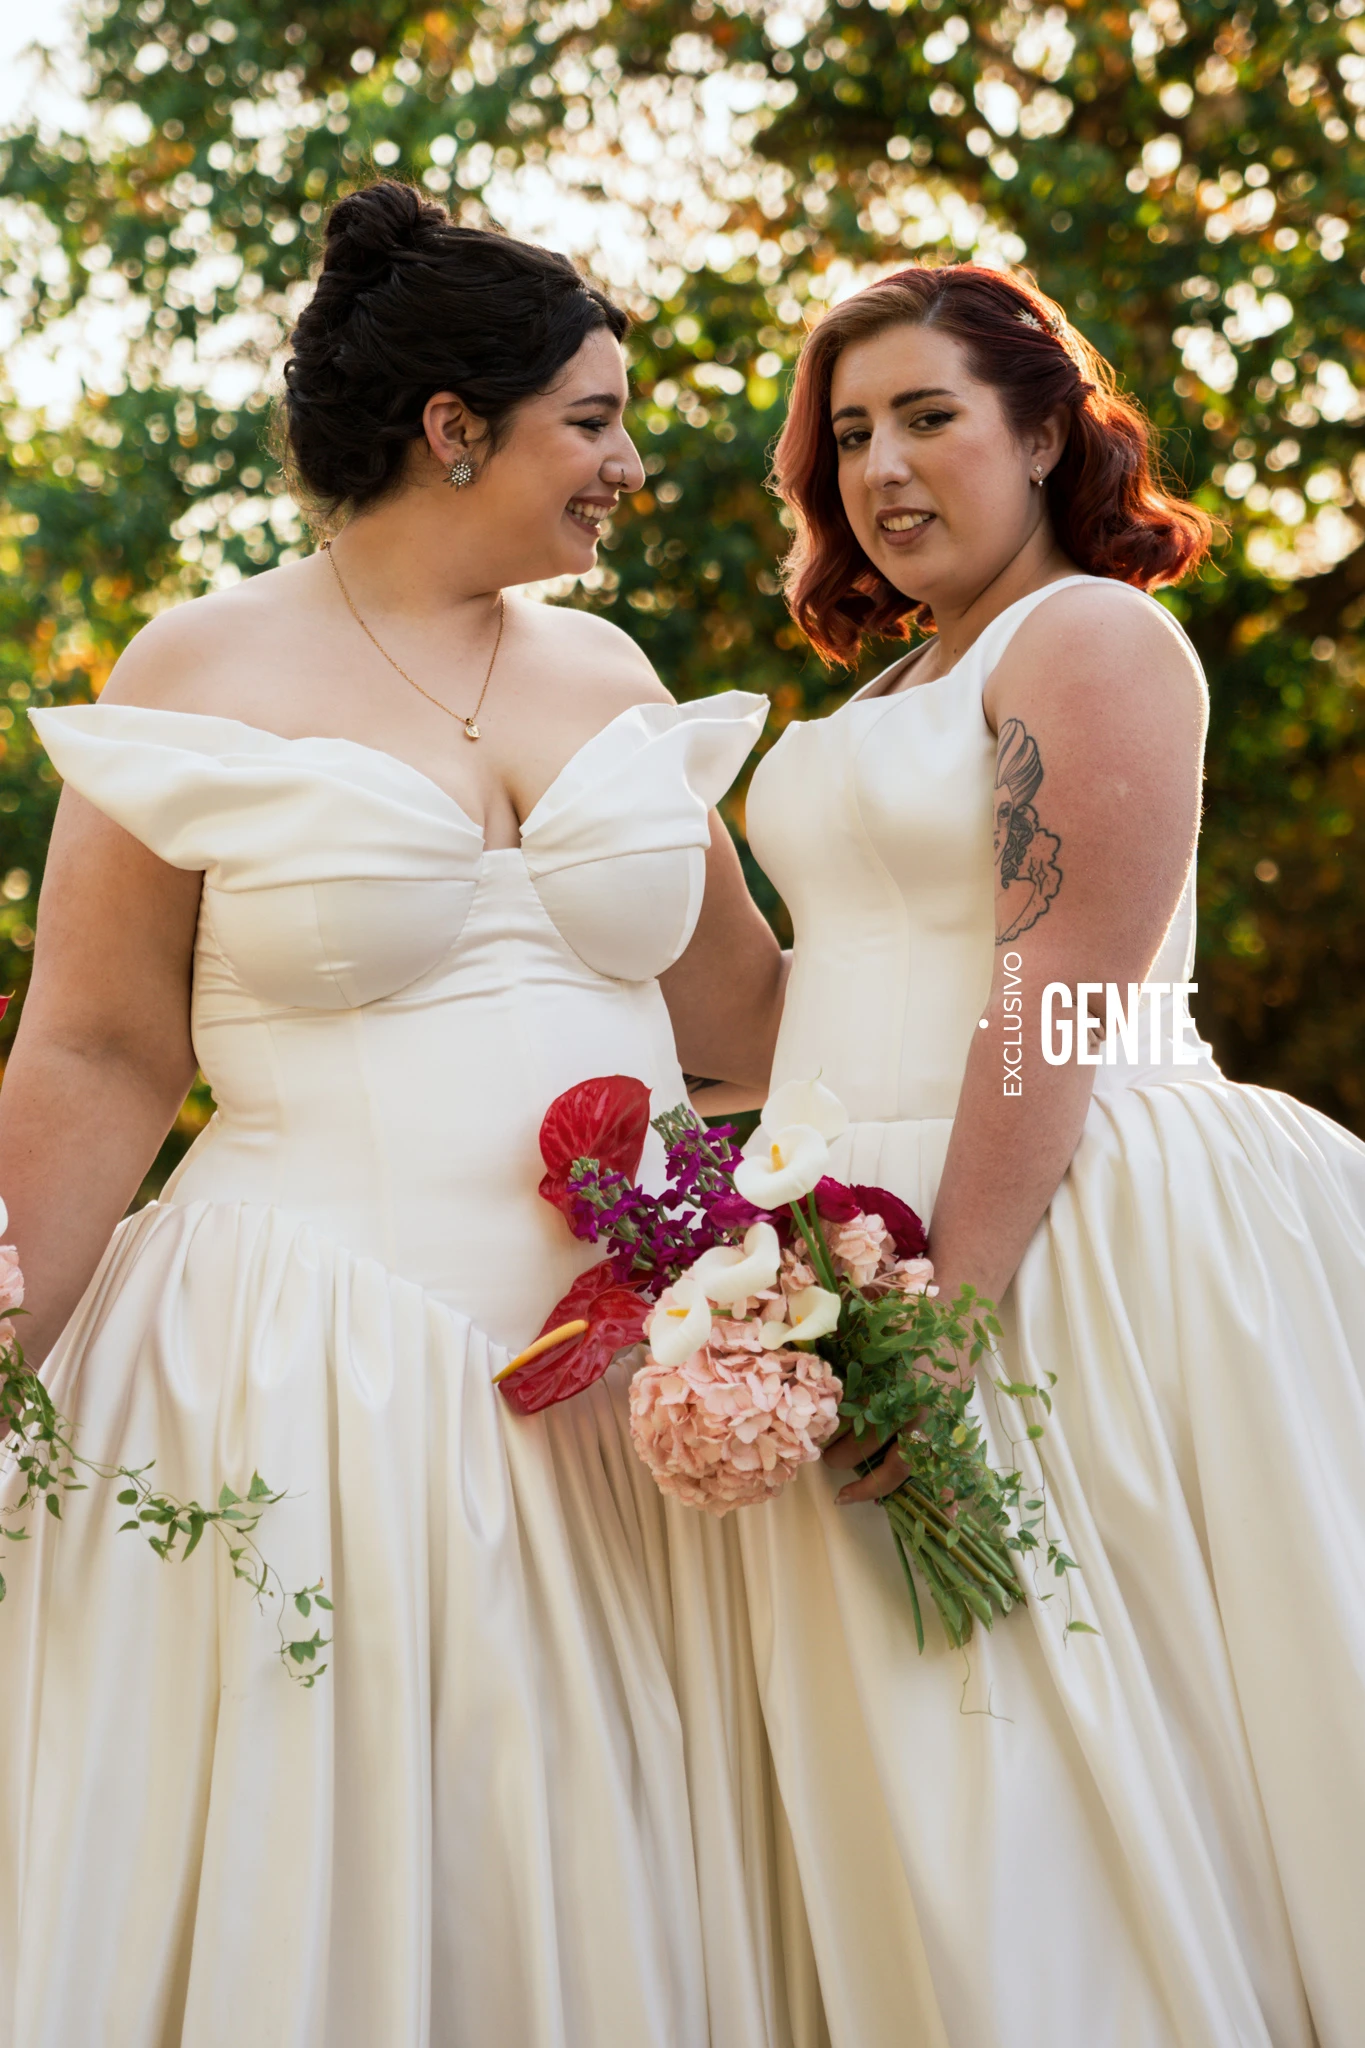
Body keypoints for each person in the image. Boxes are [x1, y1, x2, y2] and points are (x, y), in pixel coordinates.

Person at [0, 181, 816, 2048]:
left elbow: (750, 1022)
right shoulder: (200, 666)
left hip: (625, 1394)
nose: (628, 466)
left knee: (601, 1859)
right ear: (456, 427)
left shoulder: (607, 673)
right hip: (306, 1366)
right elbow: (99, 1051)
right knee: (342, 1848)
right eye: (592, 422)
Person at [728, 264, 1365, 2048]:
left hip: (1055, 1220)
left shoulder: (1088, 638)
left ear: (1039, 433)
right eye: (850, 433)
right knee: (939, 1749)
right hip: (853, 1236)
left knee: (1088, 1721)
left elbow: (1058, 993)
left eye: (929, 417)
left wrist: (949, 1306)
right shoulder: (884, 694)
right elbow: (796, 994)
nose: (882, 466)